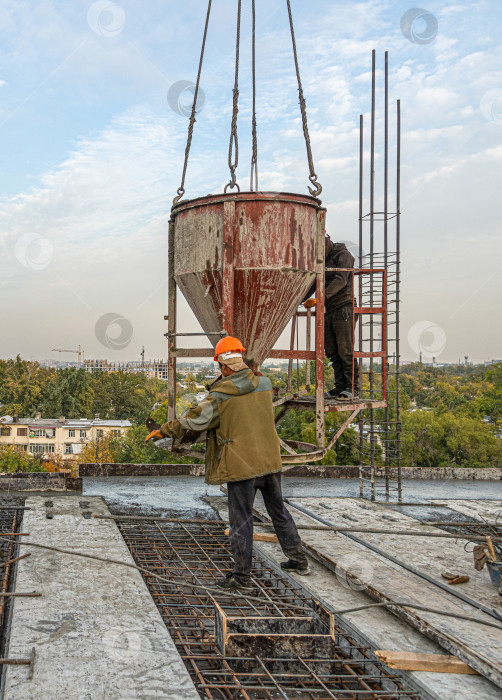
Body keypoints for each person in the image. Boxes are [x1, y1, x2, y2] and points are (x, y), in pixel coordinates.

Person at [145, 336, 310, 593]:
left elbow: (193, 420)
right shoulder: (265, 384)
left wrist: (164, 431)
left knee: (241, 520)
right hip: (270, 461)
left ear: (223, 367)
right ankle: (299, 560)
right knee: (278, 511)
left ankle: (242, 579)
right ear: (241, 360)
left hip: (242, 466)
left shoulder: (220, 396)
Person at [304, 235, 358, 400]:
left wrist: (320, 297)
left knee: (345, 350)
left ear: (327, 242)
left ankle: (352, 388)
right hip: (328, 309)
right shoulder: (322, 261)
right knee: (332, 351)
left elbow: (340, 280)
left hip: (344, 308)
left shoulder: (344, 256)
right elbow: (313, 284)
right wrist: (298, 300)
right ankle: (340, 386)